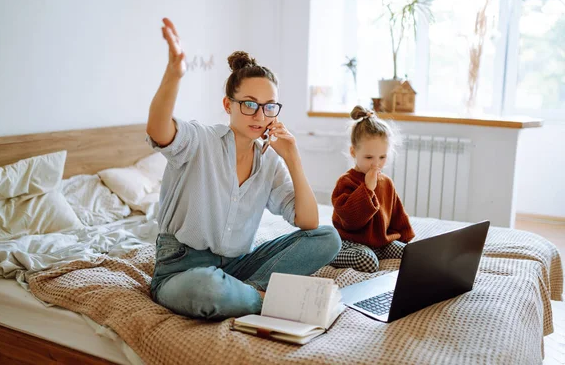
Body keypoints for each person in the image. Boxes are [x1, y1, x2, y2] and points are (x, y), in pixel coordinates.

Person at [146, 18, 341, 321]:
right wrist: (174, 75)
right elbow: (159, 130)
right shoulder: (201, 141)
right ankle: (264, 300)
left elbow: (309, 222)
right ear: (228, 105)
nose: (260, 115)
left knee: (329, 237)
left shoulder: (269, 161)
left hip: (238, 266)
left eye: (269, 106)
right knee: (207, 289)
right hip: (182, 269)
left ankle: (246, 293)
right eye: (249, 104)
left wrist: (293, 157)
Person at [329, 106, 415, 273]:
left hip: (380, 243)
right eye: (369, 157)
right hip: (351, 242)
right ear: (353, 152)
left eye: (382, 157)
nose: (376, 164)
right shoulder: (345, 182)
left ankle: (384, 253)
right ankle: (330, 254)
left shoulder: (386, 182)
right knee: (367, 261)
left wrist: (408, 241)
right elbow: (350, 221)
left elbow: (398, 217)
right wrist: (367, 189)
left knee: (410, 253)